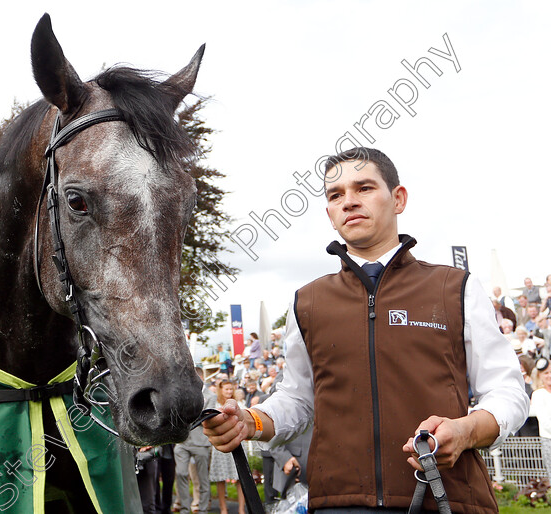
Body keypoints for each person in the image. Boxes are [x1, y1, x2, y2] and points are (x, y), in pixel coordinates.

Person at [202, 147, 529, 511]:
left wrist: (466, 430)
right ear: (329, 213)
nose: (349, 201)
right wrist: (251, 420)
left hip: (445, 498)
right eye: (336, 195)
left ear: (398, 199)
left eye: (364, 188)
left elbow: (508, 392)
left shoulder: (455, 288)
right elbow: (297, 398)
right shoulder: (307, 301)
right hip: (338, 502)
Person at [174, 365, 214, 514]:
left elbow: (205, 418)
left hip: (201, 443)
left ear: (201, 378)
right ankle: (184, 509)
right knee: (181, 473)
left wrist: (186, 413)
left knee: (203, 479)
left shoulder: (211, 396)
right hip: (183, 442)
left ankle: (203, 509)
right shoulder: (182, 393)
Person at [208, 379, 244, 514]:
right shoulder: (215, 404)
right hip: (220, 443)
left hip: (237, 443)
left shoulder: (239, 404)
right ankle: (223, 509)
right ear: (221, 390)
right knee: (220, 478)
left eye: (231, 389)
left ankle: (241, 509)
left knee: (240, 476)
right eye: (226, 389)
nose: (229, 391)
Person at [530, 358, 551, 481]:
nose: (549, 376)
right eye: (546, 373)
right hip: (549, 440)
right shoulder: (538, 395)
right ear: (539, 376)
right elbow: (546, 421)